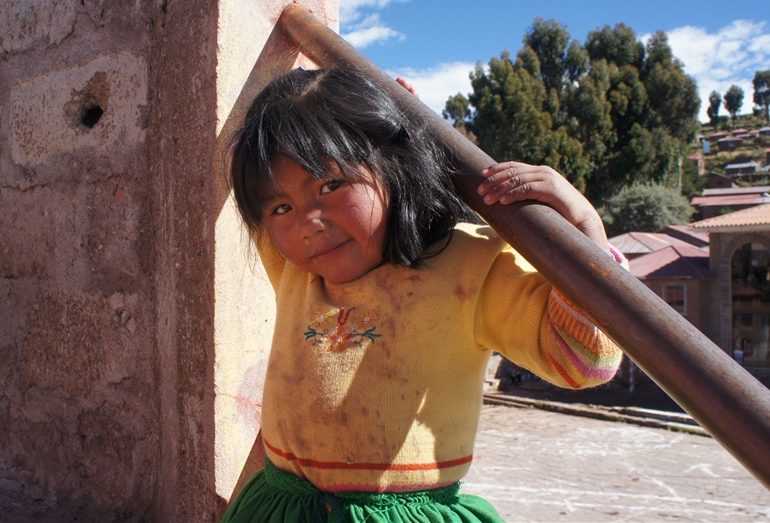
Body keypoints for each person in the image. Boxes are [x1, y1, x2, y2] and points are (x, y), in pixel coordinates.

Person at [223, 68, 624, 522]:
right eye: (282, 207)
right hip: (280, 509)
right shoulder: (295, 268)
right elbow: (244, 159)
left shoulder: (472, 268)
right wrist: (397, 112)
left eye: (330, 185)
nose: (309, 222)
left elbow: (584, 360)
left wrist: (584, 234)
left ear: (393, 162)